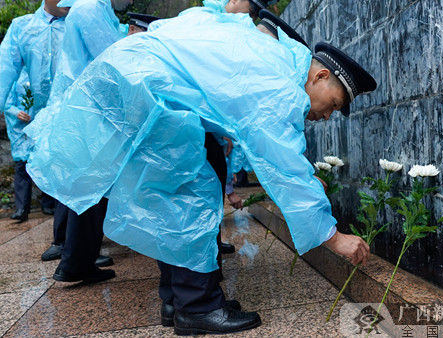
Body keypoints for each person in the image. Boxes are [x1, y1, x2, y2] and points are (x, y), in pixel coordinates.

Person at [26, 7, 375, 334]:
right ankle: (196, 306)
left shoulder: (275, 56)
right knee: (189, 193)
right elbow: (283, 163)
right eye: (331, 105)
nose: (325, 116)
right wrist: (333, 237)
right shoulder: (282, 85)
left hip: (132, 75)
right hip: (143, 88)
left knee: (185, 179)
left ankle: (177, 299)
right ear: (320, 75)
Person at [28, 0, 133, 282]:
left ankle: (76, 262)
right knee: (89, 189)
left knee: (88, 189)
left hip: (88, 110)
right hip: (89, 113)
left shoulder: (91, 7)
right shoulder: (90, 8)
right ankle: (74, 263)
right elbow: (114, 57)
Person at [0, 0, 70, 222]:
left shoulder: (80, 22)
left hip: (73, 116)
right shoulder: (22, 27)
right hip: (35, 121)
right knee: (34, 166)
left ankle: (73, 244)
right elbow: (4, 71)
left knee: (69, 173)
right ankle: (64, 242)